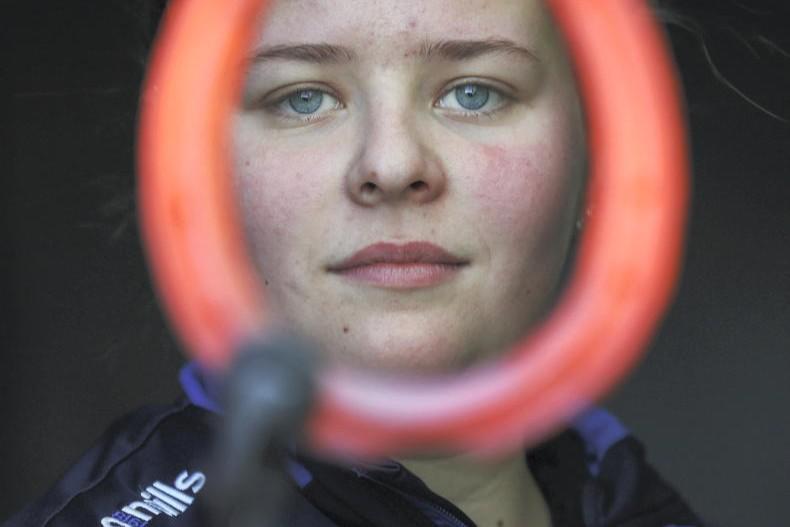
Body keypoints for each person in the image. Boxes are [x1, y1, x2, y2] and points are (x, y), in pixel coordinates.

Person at [5, 1, 703, 526]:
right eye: (303, 97)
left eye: (475, 91)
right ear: (196, 171)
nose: (392, 164)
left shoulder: (625, 492)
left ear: (601, 156)